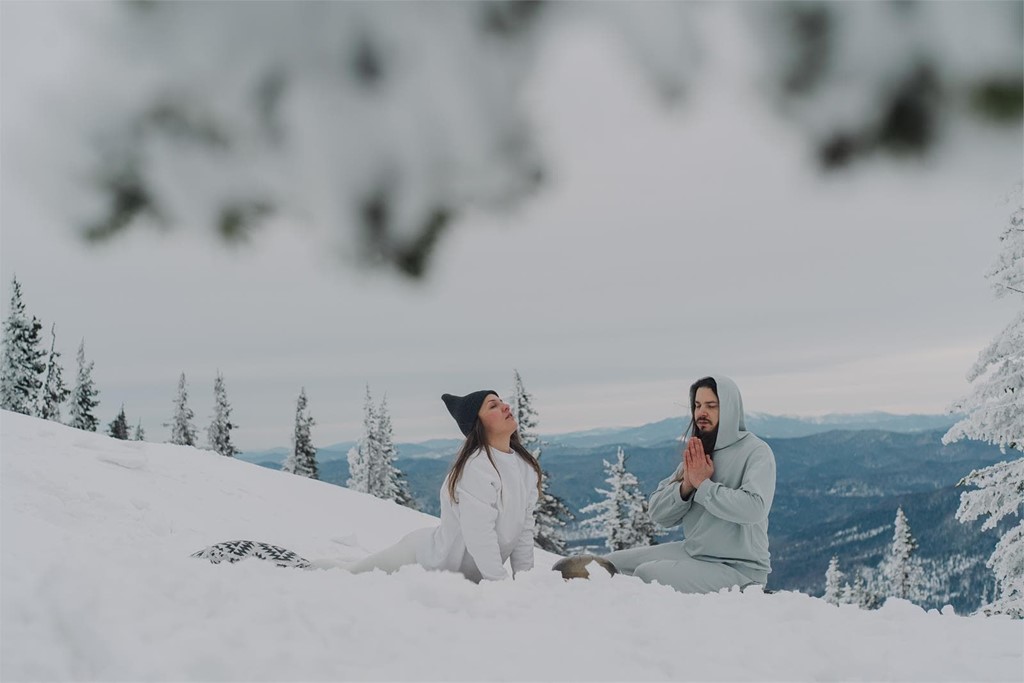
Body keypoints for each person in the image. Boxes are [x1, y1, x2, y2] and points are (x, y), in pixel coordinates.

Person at [601, 374, 776, 593]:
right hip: (694, 553)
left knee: (646, 575)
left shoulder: (756, 451)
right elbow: (657, 513)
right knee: (605, 565)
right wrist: (687, 487)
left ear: (730, 410)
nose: (701, 413)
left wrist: (703, 485)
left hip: (739, 569)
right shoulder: (700, 451)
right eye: (697, 405)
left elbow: (755, 509)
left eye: (711, 406)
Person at [348, 390, 542, 582]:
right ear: (477, 424)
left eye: (501, 402)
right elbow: (480, 534)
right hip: (421, 561)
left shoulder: (525, 467)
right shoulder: (477, 468)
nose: (505, 406)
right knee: (350, 575)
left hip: (462, 575)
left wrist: (526, 582)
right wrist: (501, 584)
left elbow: (523, 530)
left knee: (355, 571)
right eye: (493, 405)